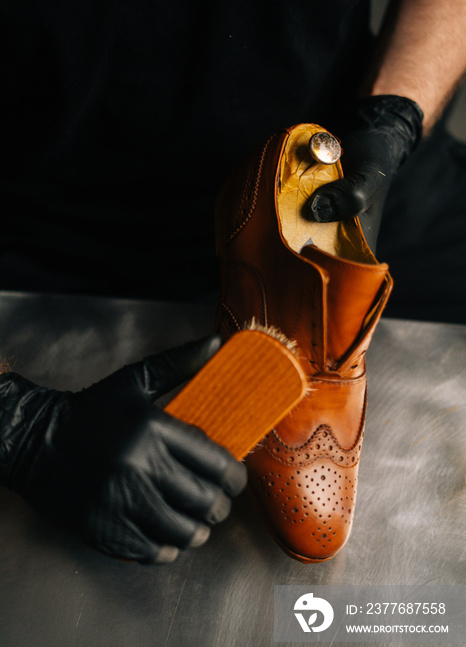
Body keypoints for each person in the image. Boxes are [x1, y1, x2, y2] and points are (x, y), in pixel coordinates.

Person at [1, 0, 465, 563]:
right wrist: (18, 423)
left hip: (353, 159)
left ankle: (303, 274)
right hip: (51, 222)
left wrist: (394, 116)